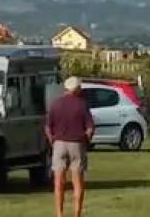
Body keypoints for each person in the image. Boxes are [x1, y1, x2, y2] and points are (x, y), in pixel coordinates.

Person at [45, 76, 95, 217]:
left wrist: (52, 141)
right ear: (76, 89)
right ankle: (76, 214)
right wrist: (87, 140)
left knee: (58, 182)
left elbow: (48, 127)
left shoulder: (55, 104)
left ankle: (59, 214)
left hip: (59, 144)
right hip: (77, 144)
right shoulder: (82, 104)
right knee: (77, 183)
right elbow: (90, 128)